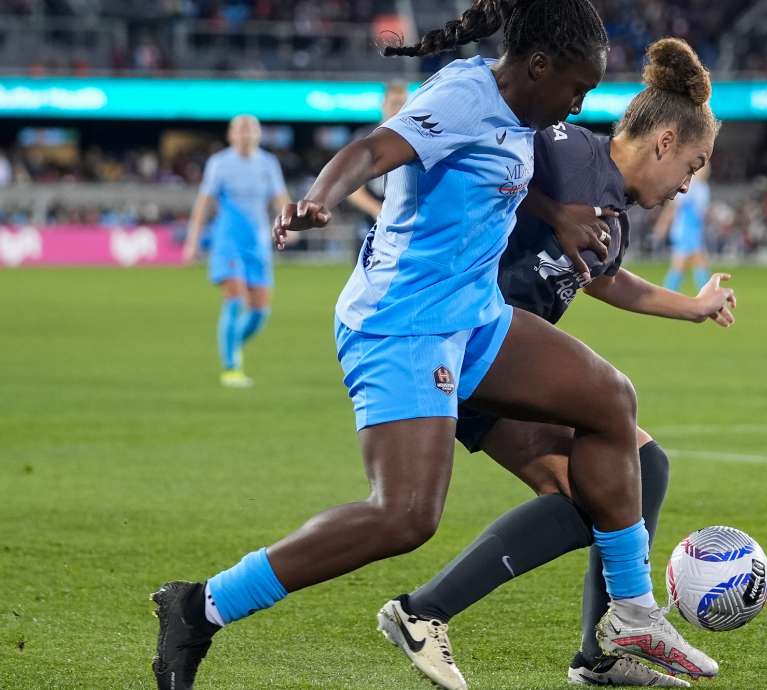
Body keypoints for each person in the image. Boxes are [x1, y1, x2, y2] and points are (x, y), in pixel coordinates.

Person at [150, 3, 714, 689]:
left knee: (610, 399)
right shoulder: (460, 94)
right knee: (405, 516)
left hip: (474, 316)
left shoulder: (524, 112)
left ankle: (630, 616)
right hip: (402, 323)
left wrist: (555, 213)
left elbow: (500, 165)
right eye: (577, 87)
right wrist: (318, 197)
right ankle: (200, 606)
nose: (581, 102)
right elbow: (371, 151)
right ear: (538, 66)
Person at [391, 37, 728, 689]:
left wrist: (691, 306)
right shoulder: (568, 150)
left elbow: (607, 279)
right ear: (663, 142)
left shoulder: (616, 215)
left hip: (497, 367)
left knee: (627, 477)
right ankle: (428, 612)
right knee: (613, 468)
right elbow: (488, 149)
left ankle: (594, 655)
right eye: (691, 165)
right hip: (463, 341)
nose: (687, 185)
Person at [182, 115, 289, 388]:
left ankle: (230, 344)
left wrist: (292, 223)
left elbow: (280, 198)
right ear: (231, 135)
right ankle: (231, 367)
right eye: (240, 130)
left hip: (258, 244)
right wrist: (192, 241)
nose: (245, 134)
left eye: (250, 129)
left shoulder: (268, 163)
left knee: (259, 312)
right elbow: (203, 204)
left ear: (258, 134)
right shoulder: (219, 163)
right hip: (227, 242)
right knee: (235, 299)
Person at [345, 81, 408, 244]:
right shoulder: (366, 138)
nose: (399, 109)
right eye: (394, 104)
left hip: (405, 226)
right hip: (371, 226)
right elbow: (353, 190)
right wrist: (378, 210)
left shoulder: (414, 140)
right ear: (384, 105)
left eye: (403, 104)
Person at [653, 162, 711, 291]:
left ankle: (667, 294)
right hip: (685, 230)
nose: (706, 171)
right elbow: (673, 207)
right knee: (696, 262)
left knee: (682, 265)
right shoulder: (688, 187)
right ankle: (707, 295)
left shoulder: (703, 188)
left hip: (694, 230)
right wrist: (662, 225)